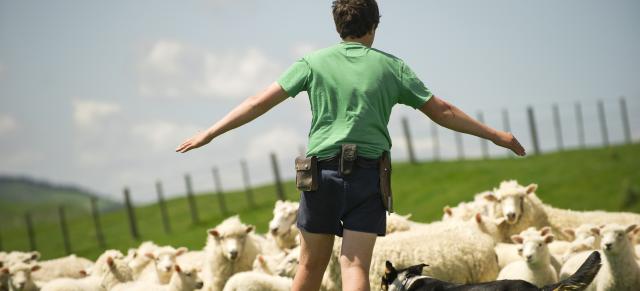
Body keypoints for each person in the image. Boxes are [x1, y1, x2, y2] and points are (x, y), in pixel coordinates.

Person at [176, 0, 526, 290]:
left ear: (337, 26)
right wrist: (497, 135)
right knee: (355, 266)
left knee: (310, 266)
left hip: (320, 176)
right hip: (368, 176)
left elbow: (257, 102)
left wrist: (211, 132)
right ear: (374, 25)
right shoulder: (392, 67)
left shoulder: (312, 63)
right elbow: (443, 112)